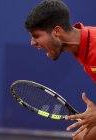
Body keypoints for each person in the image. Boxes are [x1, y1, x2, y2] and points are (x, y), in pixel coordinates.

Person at [24, 0, 96, 140]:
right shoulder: (81, 47)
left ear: (57, 31)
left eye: (36, 36)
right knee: (81, 137)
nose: (32, 43)